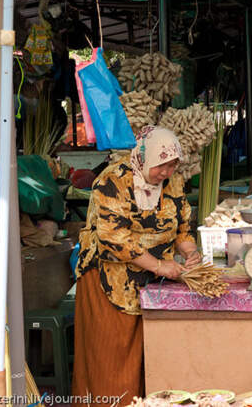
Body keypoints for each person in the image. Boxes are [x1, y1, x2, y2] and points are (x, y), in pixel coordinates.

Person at [71, 126, 202, 407]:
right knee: (112, 361)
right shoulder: (112, 182)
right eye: (161, 165)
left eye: (172, 165)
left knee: (148, 361)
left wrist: (190, 251)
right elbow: (113, 238)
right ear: (145, 157)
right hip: (107, 280)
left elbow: (182, 228)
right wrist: (158, 265)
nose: (166, 172)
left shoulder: (173, 182)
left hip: (151, 282)